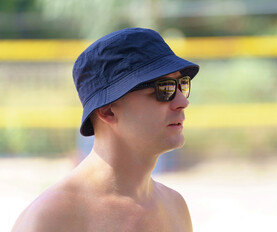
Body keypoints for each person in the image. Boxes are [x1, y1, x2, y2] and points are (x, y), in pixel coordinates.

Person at [12, 28, 199, 232]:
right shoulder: (53, 218)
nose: (183, 101)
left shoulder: (174, 207)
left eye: (182, 85)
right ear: (107, 111)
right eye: (165, 89)